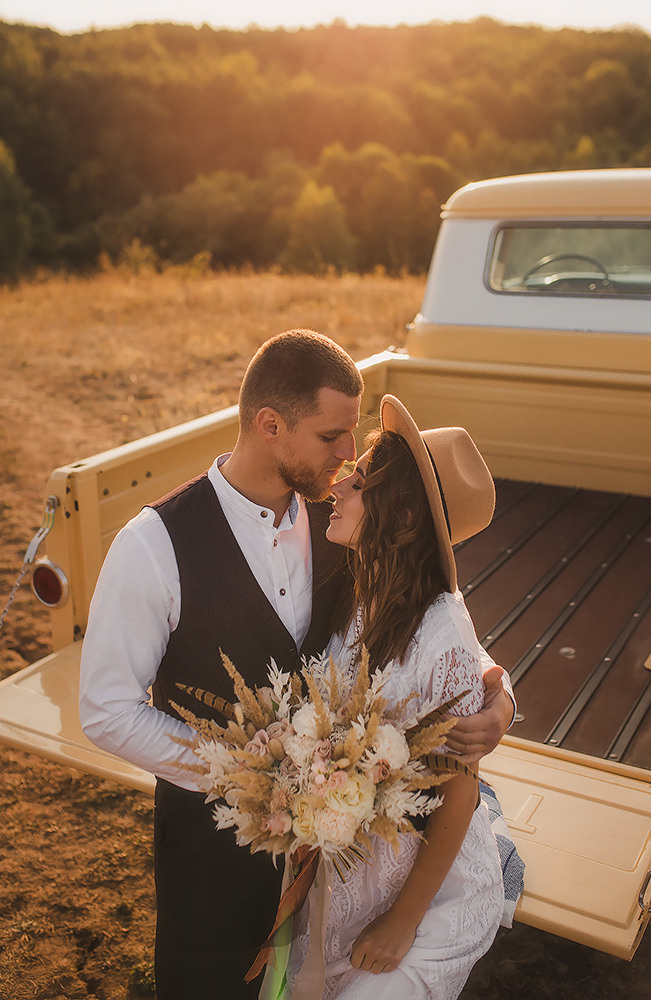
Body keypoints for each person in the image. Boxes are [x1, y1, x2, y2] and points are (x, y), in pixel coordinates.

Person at [79, 331, 513, 1000]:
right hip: (215, 842)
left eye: (353, 440)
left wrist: (497, 692)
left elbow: (428, 626)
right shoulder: (152, 547)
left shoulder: (337, 515)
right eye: (332, 437)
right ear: (271, 426)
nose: (347, 457)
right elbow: (107, 709)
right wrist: (249, 779)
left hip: (340, 859)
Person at [285, 395, 509, 1000]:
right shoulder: (363, 584)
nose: (336, 487)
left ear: (402, 518)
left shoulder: (440, 635)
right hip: (359, 857)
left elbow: (457, 794)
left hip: (423, 882)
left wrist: (402, 921)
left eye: (357, 484)